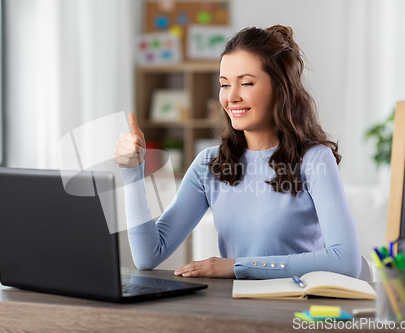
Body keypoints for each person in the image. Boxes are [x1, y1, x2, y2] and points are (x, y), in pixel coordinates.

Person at [113, 25, 361, 279]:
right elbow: (148, 255)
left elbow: (346, 262)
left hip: (294, 309)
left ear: (280, 88)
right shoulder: (209, 164)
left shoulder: (314, 160)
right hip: (233, 308)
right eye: (224, 84)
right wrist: (132, 173)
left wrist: (237, 267)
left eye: (246, 83)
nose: (231, 97)